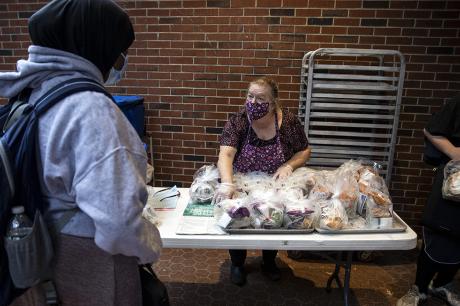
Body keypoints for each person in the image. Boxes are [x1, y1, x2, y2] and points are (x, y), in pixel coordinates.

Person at [0, 0, 162, 305]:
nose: (120, 62)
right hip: (89, 268)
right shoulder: (91, 110)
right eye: (119, 53)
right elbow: (119, 226)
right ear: (97, 45)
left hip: (35, 258)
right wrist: (152, 244)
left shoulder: (31, 94)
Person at [214, 77, 311, 286]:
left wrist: (289, 166)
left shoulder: (289, 122)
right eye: (250, 96)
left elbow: (304, 150)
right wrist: (228, 183)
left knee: (272, 218)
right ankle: (237, 263)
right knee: (237, 218)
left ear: (273, 102)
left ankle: (268, 261)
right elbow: (226, 155)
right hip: (242, 180)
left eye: (260, 98)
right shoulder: (238, 120)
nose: (253, 103)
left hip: (274, 183)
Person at [397, 96, 460, 306]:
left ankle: (443, 284)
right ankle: (420, 288)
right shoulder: (458, 102)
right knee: (439, 232)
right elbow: (431, 130)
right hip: (453, 182)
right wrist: (455, 153)